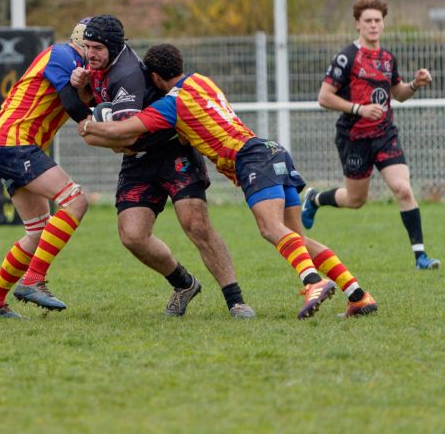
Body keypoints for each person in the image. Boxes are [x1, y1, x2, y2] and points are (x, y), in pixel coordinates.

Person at [80, 44, 378, 319]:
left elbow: (126, 130)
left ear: (155, 77)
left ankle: (313, 281)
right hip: (272, 151)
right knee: (295, 236)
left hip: (250, 158)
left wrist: (91, 126)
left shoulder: (171, 105)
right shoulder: (202, 81)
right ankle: (358, 295)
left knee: (270, 228)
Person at [72, 16, 254, 318]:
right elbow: (97, 105)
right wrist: (82, 90)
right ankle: (184, 284)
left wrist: (90, 130)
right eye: (87, 47)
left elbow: (126, 134)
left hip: (171, 151)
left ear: (115, 47)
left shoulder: (127, 74)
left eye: (97, 48)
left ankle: (236, 300)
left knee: (196, 224)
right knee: (132, 235)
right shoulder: (97, 68)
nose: (90, 54)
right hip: (139, 160)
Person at [302, 0, 439, 270]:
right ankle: (315, 198)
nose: (374, 25)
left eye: (378, 20)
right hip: (354, 138)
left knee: (402, 188)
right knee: (355, 200)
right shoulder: (346, 57)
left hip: (385, 134)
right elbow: (324, 97)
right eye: (368, 21)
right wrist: (359, 109)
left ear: (383, 24)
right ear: (358, 24)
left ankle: (420, 256)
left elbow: (397, 94)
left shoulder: (388, 58)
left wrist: (415, 83)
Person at [0, 20, 94, 318]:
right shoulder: (63, 55)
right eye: (99, 45)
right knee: (75, 201)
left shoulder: (78, 65)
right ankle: (34, 280)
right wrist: (102, 123)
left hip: (7, 144)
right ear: (86, 43)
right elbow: (70, 101)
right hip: (14, 143)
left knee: (38, 230)